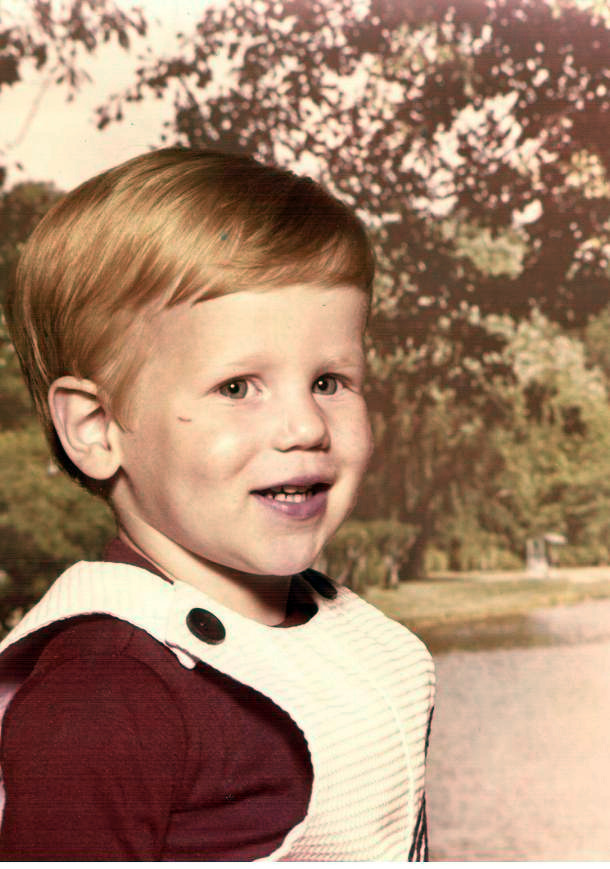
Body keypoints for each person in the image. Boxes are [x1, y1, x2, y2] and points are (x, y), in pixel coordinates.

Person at [0, 148, 435, 861]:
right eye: (237, 387)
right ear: (97, 428)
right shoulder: (104, 694)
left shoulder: (352, 643)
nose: (305, 427)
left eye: (329, 381)